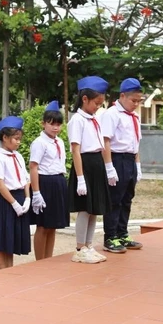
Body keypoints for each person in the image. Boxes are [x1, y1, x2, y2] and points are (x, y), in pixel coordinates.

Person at [68, 76, 110, 264]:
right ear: (84, 99)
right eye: (96, 103)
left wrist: (107, 167)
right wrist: (80, 178)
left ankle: (89, 245)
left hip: (96, 163)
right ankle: (80, 248)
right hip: (84, 165)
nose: (97, 107)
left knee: (94, 209)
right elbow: (76, 150)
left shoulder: (94, 119)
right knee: (85, 209)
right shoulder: (77, 120)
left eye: (100, 104)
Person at [100, 78, 145, 253]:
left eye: (139, 101)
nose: (136, 104)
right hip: (116, 158)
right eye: (133, 100)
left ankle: (122, 233)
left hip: (130, 159)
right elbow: (106, 141)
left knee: (127, 198)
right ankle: (110, 236)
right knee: (115, 199)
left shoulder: (135, 116)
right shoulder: (112, 114)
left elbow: (136, 143)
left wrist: (138, 165)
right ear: (123, 96)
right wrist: (109, 167)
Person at [0, 116, 31, 269]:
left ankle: (9, 269)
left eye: (19, 139)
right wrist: (14, 204)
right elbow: (0, 183)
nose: (18, 142)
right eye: (15, 139)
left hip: (19, 196)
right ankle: (2, 270)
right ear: (5, 138)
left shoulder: (18, 156)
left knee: (11, 238)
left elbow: (25, 179)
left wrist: (27, 198)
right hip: (6, 200)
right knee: (1, 237)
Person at [29, 101, 69, 260]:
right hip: (45, 183)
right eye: (51, 124)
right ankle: (40, 261)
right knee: (43, 225)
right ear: (43, 124)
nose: (55, 128)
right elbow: (33, 167)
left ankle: (49, 259)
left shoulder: (59, 142)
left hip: (58, 181)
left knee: (53, 225)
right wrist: (36, 192)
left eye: (58, 124)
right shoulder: (39, 143)